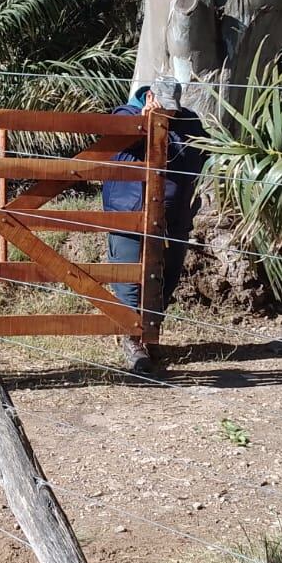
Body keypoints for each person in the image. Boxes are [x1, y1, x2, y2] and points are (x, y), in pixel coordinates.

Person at [101, 77, 203, 374]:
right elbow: (115, 147)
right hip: (129, 211)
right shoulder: (124, 116)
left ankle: (151, 333)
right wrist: (144, 125)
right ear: (149, 98)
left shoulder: (188, 122)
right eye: (164, 108)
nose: (169, 115)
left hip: (174, 217)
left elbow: (201, 154)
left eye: (173, 110)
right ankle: (132, 340)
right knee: (128, 274)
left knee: (166, 275)